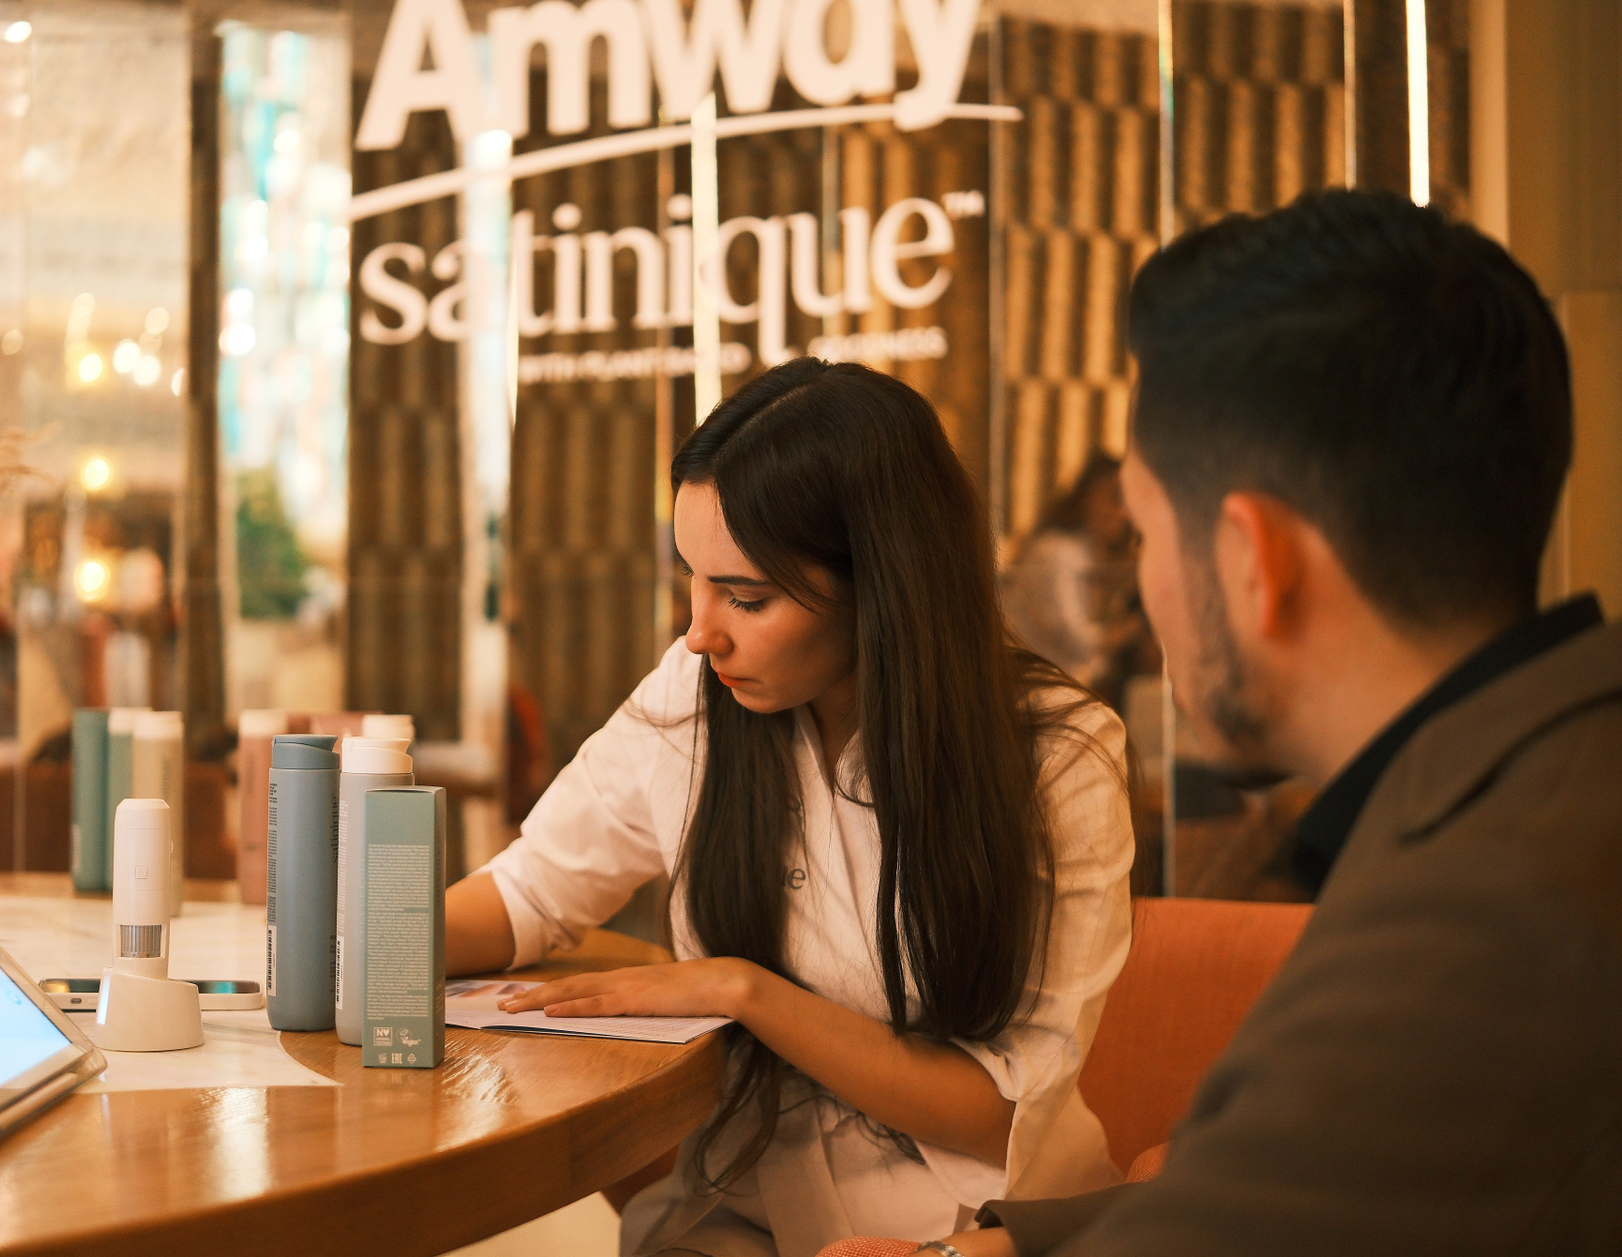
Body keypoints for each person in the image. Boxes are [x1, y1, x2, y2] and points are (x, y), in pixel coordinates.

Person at [864, 189, 1622, 1257]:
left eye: (1144, 532)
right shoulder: (1549, 780)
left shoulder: (1480, 927)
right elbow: (1325, 1177)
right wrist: (1010, 1241)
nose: (1146, 591)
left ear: (1253, 559)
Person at [445, 358, 1137, 1256]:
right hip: (747, 1212)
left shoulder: (1058, 758)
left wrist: (744, 991)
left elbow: (998, 1114)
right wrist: (349, 946)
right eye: (693, 579)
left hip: (973, 1230)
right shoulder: (694, 694)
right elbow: (530, 893)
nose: (700, 632)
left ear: (883, 587)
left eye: (747, 598)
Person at [1000, 454, 1150, 698]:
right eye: (1115, 497)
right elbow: (1077, 642)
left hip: (1061, 684)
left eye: (1129, 501)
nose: (1124, 513)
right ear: (1088, 495)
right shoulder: (1055, 552)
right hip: (1027, 688)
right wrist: (1133, 627)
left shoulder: (1092, 555)